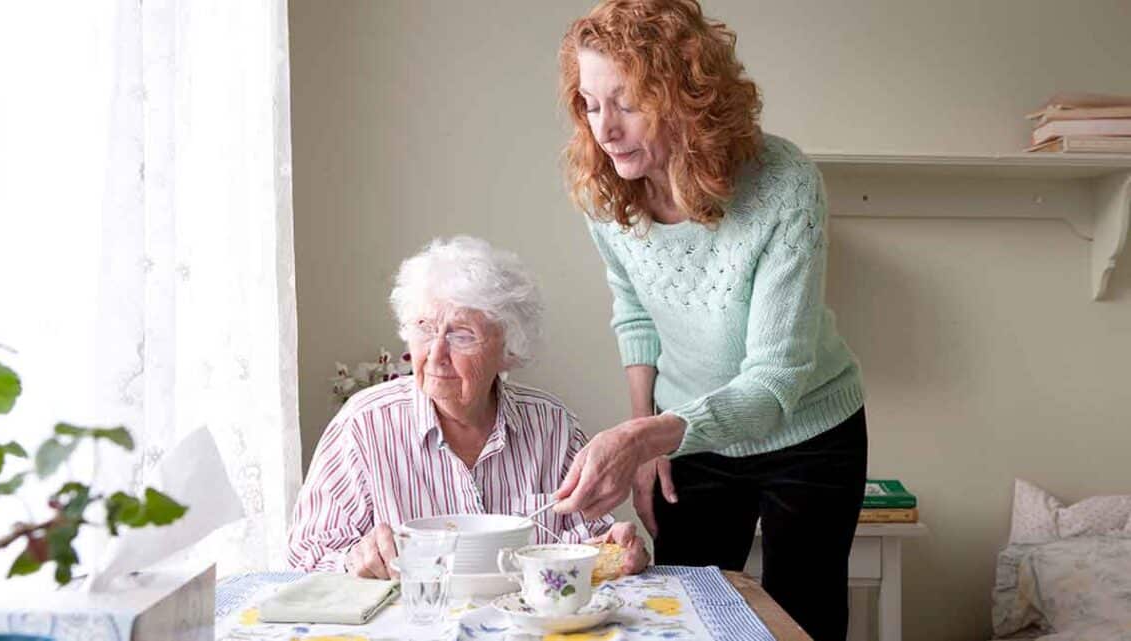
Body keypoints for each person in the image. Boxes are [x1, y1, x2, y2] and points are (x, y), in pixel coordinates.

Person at [552, 2, 867, 640]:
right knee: (685, 614)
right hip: (688, 437)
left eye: (628, 102)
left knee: (803, 619)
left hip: (810, 432)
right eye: (589, 103)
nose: (605, 129)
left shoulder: (784, 182)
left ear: (689, 97)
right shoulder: (607, 194)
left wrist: (645, 438)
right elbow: (634, 309)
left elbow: (776, 381)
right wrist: (647, 439)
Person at [287, 236, 649, 578]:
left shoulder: (552, 425)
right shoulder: (363, 425)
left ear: (508, 350)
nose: (436, 356)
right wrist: (354, 559)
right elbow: (305, 553)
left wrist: (614, 550)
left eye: (462, 335)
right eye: (425, 329)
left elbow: (584, 545)